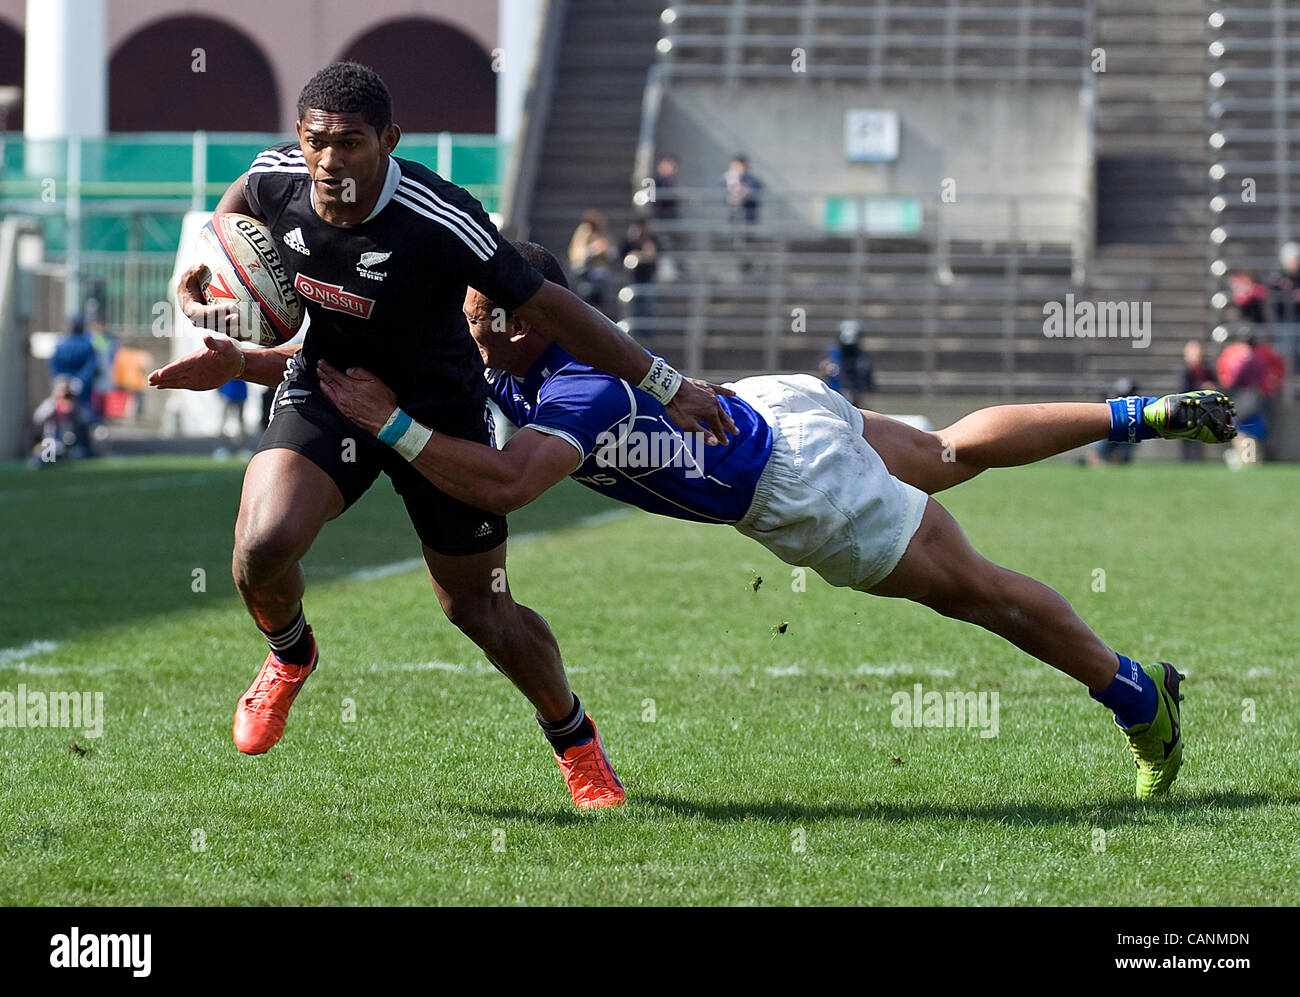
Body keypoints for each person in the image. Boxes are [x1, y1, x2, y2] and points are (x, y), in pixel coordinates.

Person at [169, 241, 1240, 799]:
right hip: (777, 404)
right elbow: (422, 363)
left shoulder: (577, 389)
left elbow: (502, 490)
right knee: (951, 449)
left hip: (795, 489)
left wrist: (391, 425)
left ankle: (1141, 697)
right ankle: (1133, 410)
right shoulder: (520, 351)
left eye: (486, 318)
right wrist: (253, 359)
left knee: (990, 598)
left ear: (527, 317)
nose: (473, 336)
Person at [148, 63, 733, 811]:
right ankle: (290, 655)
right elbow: (224, 230)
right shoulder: (276, 180)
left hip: (437, 410)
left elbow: (554, 307)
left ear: (389, 141)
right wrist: (194, 285)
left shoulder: (442, 217)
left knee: (480, 609)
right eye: (316, 141)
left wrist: (667, 383)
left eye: (351, 143)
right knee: (261, 546)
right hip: (328, 387)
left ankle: (575, 737)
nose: (329, 161)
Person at [566, 209, 616, 313]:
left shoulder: (604, 233)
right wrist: (594, 249)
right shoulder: (584, 232)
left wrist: (605, 250)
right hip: (586, 276)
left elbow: (613, 253)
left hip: (602, 274)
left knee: (601, 306)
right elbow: (578, 254)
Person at [619, 218, 658, 329]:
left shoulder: (652, 240)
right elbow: (623, 255)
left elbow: (656, 256)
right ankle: (637, 331)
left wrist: (646, 254)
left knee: (648, 306)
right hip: (633, 278)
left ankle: (647, 331)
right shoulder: (630, 242)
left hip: (649, 277)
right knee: (634, 305)